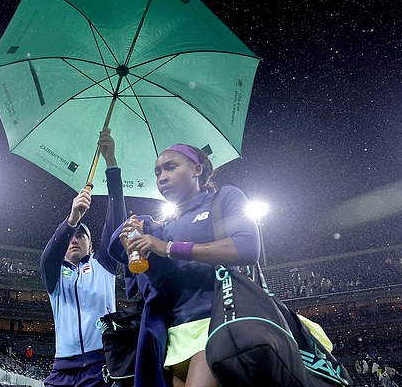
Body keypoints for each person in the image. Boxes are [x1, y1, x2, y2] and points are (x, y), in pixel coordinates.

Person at [110, 144, 260, 387]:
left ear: (197, 169)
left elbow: (247, 247)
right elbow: (157, 285)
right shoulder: (162, 227)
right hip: (174, 334)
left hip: (216, 320)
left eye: (170, 167)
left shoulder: (224, 198)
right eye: (157, 172)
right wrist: (136, 247)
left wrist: (168, 248)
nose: (162, 177)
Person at [40, 128, 126, 387]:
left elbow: (117, 221)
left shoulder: (104, 265)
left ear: (91, 245)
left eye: (82, 235)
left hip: (101, 365)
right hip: (62, 369)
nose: (74, 238)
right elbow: (47, 258)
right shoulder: (55, 275)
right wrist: (72, 219)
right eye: (71, 236)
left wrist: (111, 162)